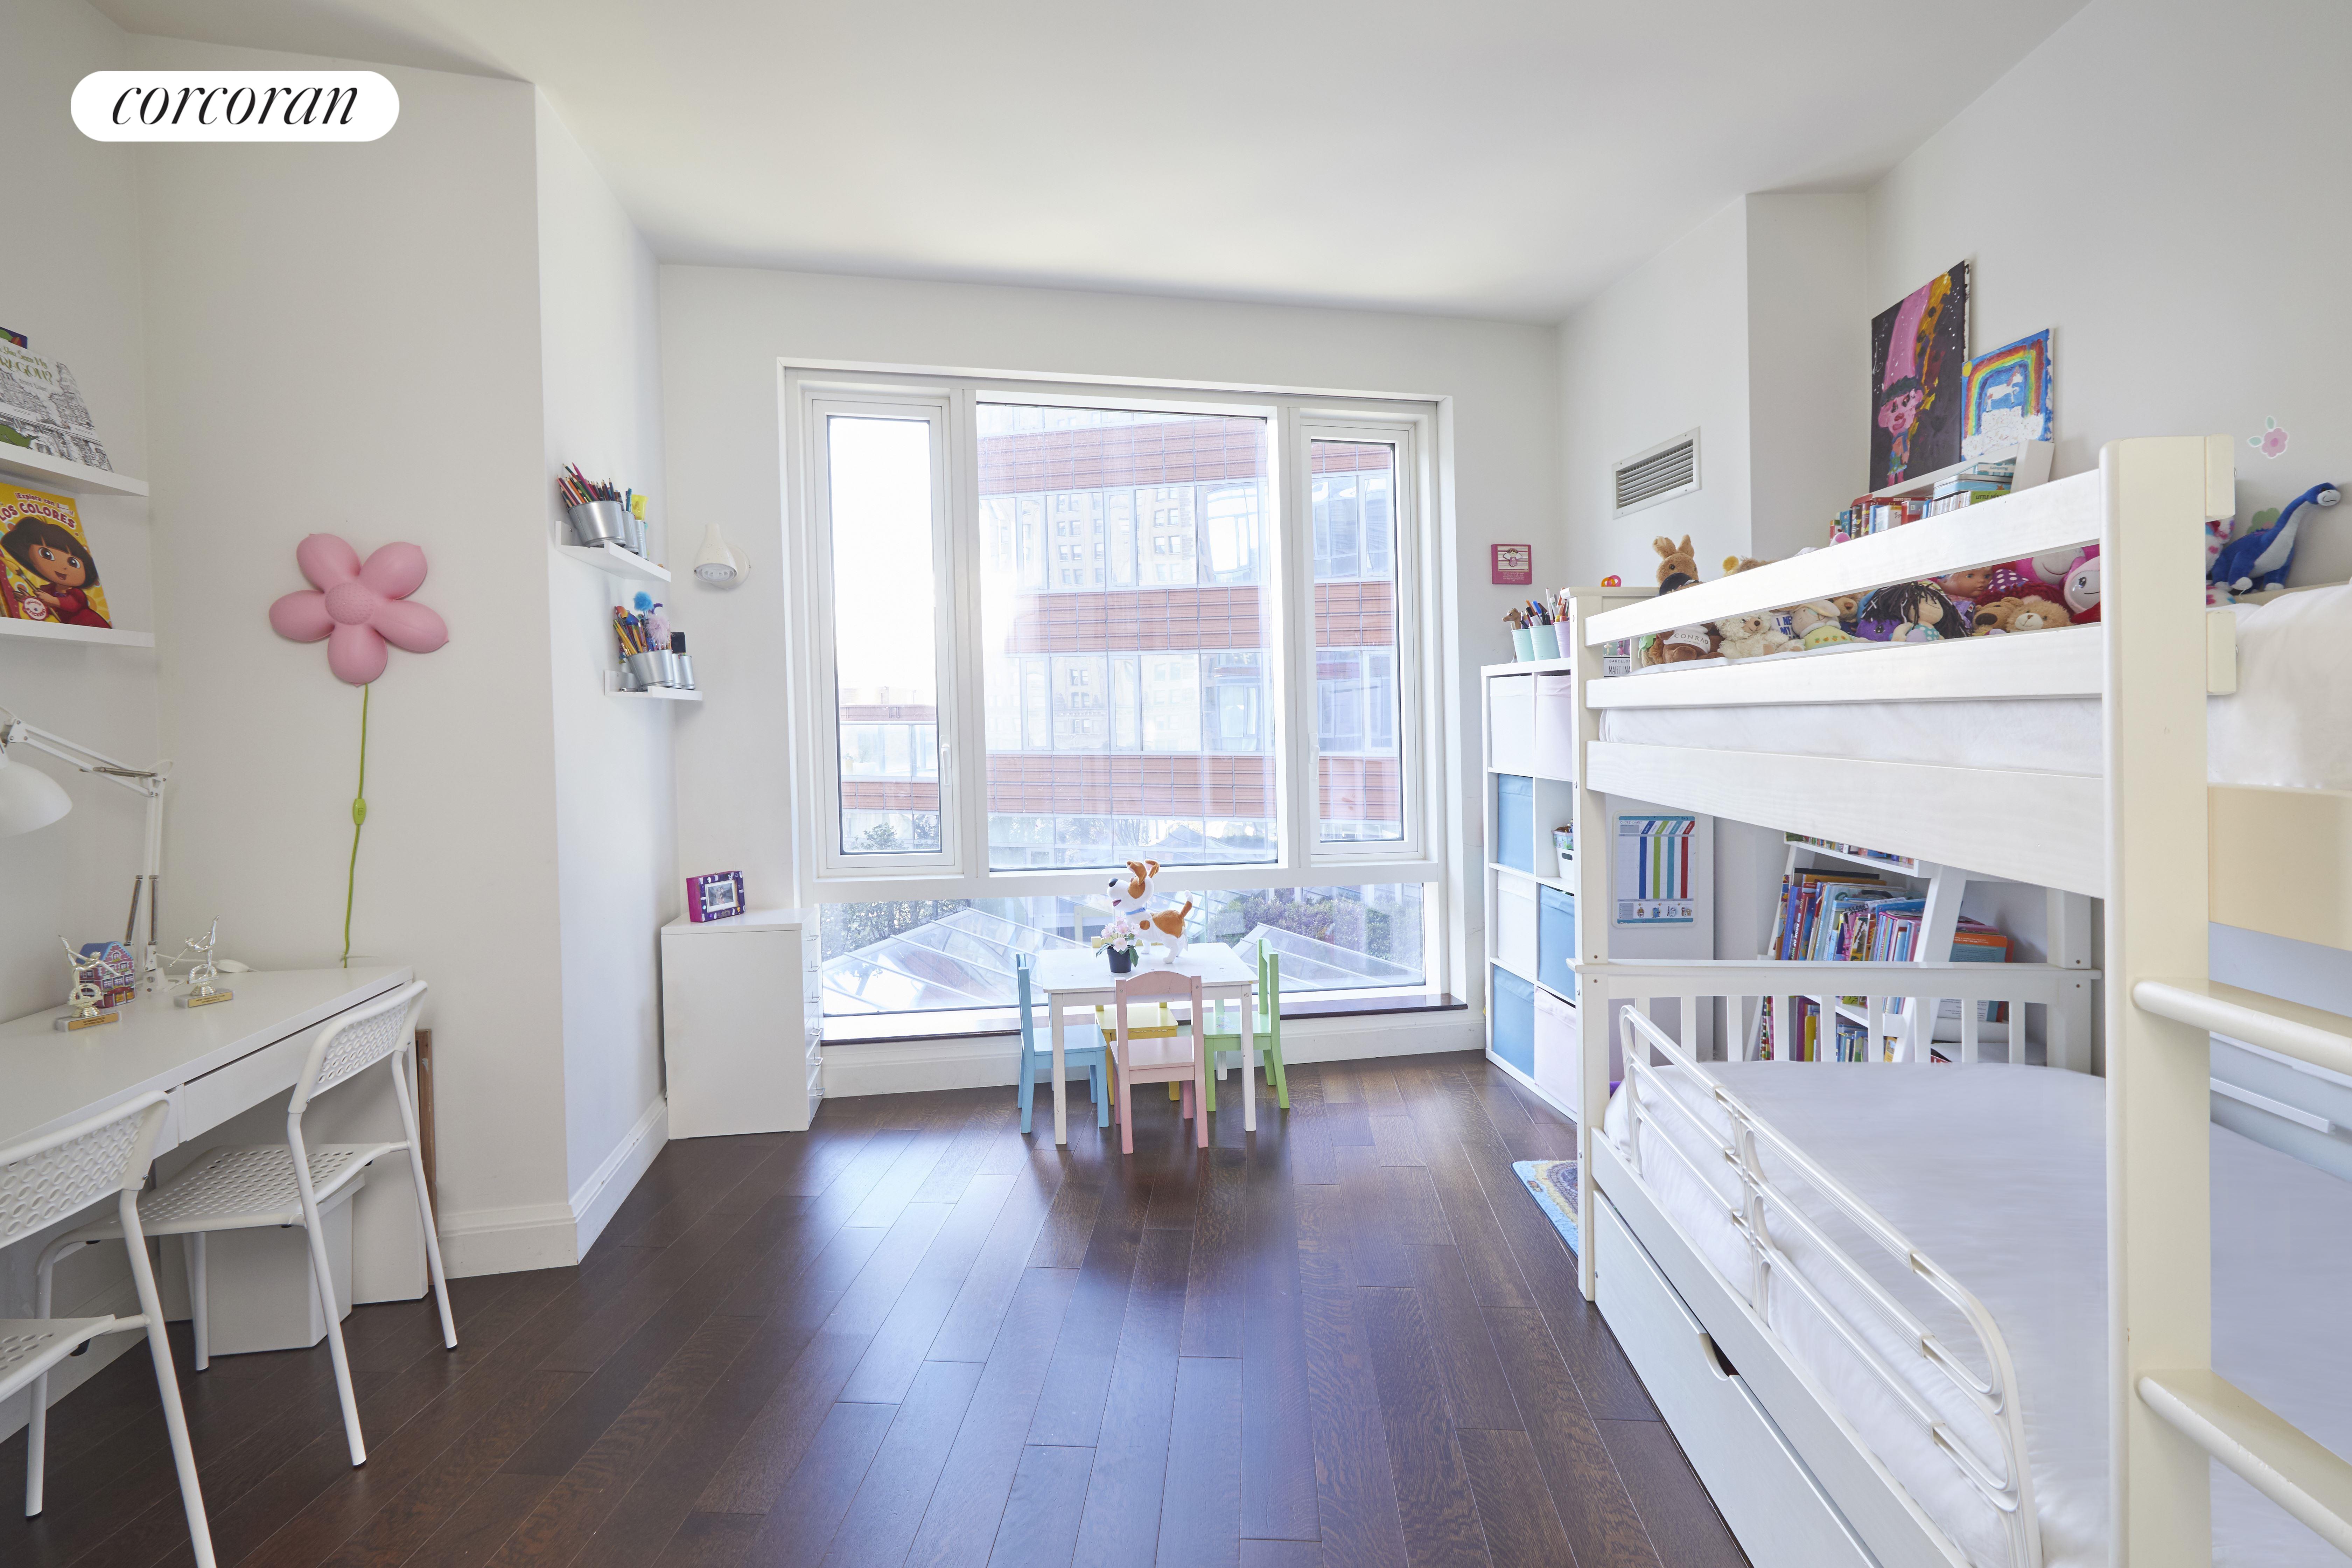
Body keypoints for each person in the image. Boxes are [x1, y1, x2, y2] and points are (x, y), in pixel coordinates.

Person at [2, 517, 109, 627]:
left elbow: (73, 605)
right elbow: (45, 609)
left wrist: (53, 601)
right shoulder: (49, 591)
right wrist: (28, 600)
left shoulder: (76, 593)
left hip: (91, 625)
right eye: (47, 555)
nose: (63, 567)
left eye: (73, 563)